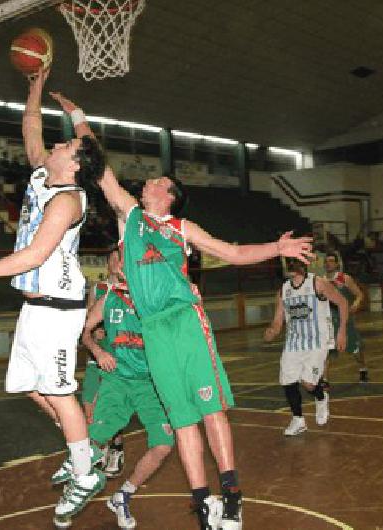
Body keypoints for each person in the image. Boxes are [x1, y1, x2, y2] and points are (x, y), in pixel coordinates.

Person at [51, 92, 314, 530]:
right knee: (184, 421)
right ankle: (202, 502)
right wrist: (78, 117)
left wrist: (277, 247)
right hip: (154, 332)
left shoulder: (180, 228)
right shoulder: (130, 217)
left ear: (168, 195)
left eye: (156, 181)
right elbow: (99, 164)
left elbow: (231, 252)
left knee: (211, 413)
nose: (147, 183)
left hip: (185, 322)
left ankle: (231, 496)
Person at [0, 68, 107, 528]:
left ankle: (84, 473)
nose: (55, 146)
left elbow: (35, 253)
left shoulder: (69, 200)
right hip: (35, 306)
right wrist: (34, 92)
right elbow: (31, 131)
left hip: (59, 309)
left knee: (60, 393)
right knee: (30, 387)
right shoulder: (43, 177)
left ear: (74, 163)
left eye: (66, 146)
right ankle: (84, 451)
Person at [53, 249, 174, 529]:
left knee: (164, 445)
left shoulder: (155, 301)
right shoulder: (109, 299)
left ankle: (123, 495)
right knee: (92, 444)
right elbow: (84, 331)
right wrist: (97, 351)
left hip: (149, 385)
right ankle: (72, 492)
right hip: (117, 382)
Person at [264, 258, 348, 436]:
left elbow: (342, 303)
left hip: (318, 341)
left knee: (309, 384)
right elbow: (278, 320)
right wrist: (272, 331)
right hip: (294, 342)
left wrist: (341, 331)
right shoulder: (283, 291)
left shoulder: (318, 283)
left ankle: (320, 396)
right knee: (288, 380)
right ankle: (298, 419)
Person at [81, 248, 125, 478]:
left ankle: (115, 447)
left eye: (120, 259)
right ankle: (102, 446)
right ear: (108, 264)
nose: (116, 262)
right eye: (112, 259)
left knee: (109, 404)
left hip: (118, 355)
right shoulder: (98, 289)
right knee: (89, 404)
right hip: (96, 354)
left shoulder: (130, 290)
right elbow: (88, 318)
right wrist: (94, 328)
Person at [323, 253, 369, 384]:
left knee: (355, 349)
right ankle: (324, 379)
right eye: (326, 261)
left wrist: (355, 303)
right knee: (326, 350)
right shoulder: (321, 281)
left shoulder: (345, 278)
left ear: (337, 264)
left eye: (331, 261)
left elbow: (359, 294)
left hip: (344, 319)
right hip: (329, 320)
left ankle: (363, 368)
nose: (328, 263)